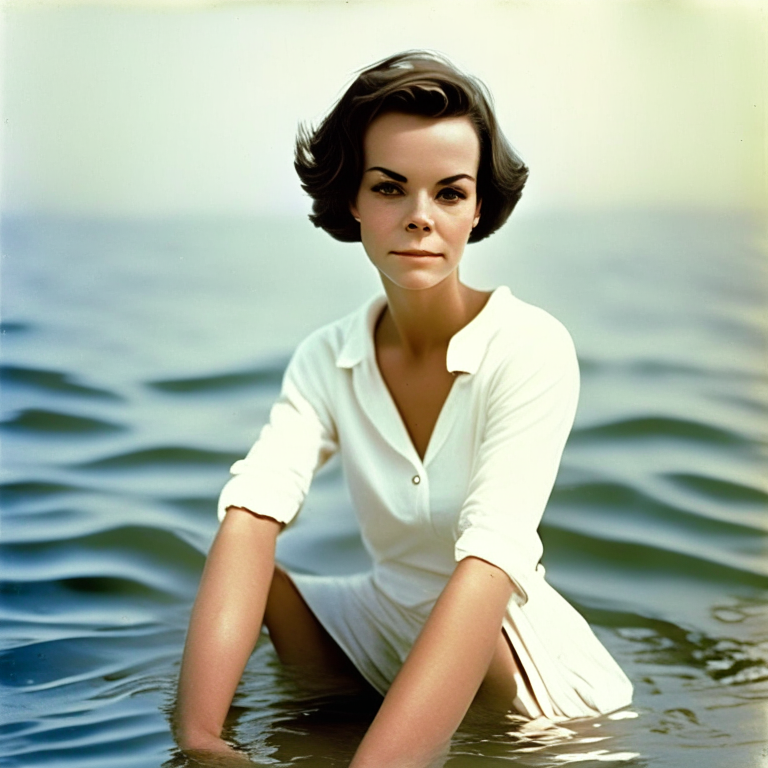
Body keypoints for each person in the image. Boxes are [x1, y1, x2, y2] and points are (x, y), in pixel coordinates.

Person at [173, 50, 633, 767]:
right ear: (352, 199)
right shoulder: (327, 356)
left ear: (478, 207)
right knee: (249, 556)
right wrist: (201, 746)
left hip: (520, 665)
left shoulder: (531, 346)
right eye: (391, 188)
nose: (420, 218)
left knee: (479, 622)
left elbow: (490, 566)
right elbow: (251, 512)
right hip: (381, 619)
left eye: (449, 194)